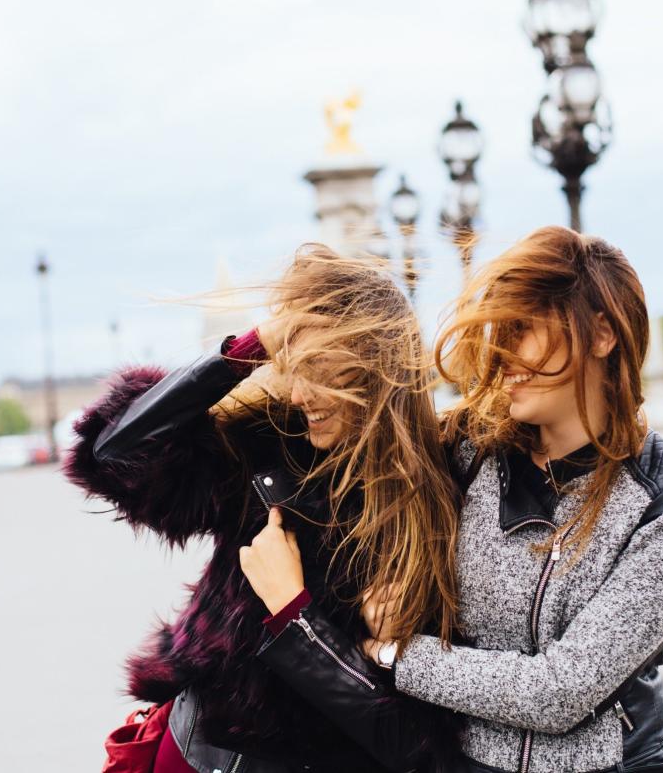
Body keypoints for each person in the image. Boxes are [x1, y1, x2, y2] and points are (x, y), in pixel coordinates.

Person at [250, 227, 663, 772]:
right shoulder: (466, 450)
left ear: (601, 334)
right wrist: (264, 341)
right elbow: (359, 415)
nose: (500, 353)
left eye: (522, 330)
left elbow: (560, 691)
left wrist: (393, 653)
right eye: (498, 330)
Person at [64, 245, 463, 773]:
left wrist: (292, 611)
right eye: (291, 366)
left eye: (321, 370)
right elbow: (112, 454)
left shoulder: (437, 508)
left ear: (377, 369)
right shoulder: (266, 446)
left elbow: (411, 743)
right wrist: (251, 348)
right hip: (196, 752)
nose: (299, 393)